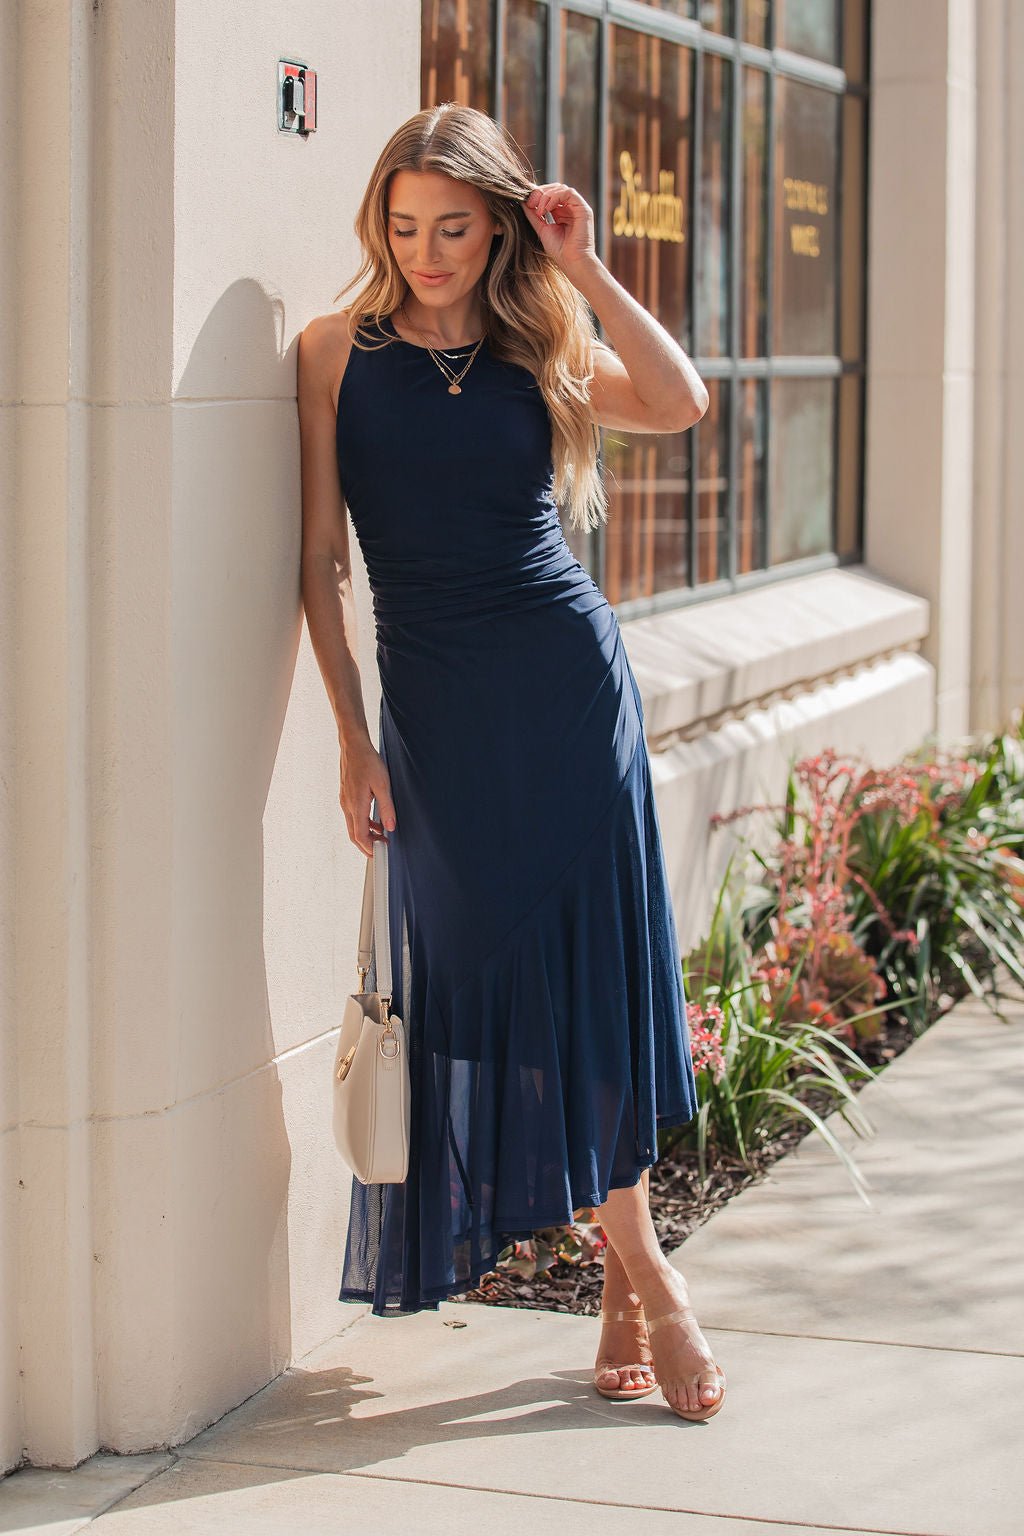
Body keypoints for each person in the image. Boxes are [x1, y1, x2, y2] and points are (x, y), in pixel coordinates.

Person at [297, 102, 727, 1423]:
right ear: (381, 221)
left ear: (496, 228)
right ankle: (634, 1274)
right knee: (497, 978)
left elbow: (681, 399)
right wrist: (353, 737)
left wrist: (583, 262)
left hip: (565, 687)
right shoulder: (328, 354)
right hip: (436, 713)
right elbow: (318, 561)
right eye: (405, 224)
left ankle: (641, 1279)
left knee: (589, 981)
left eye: (455, 226)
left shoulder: (539, 344)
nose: (426, 250)